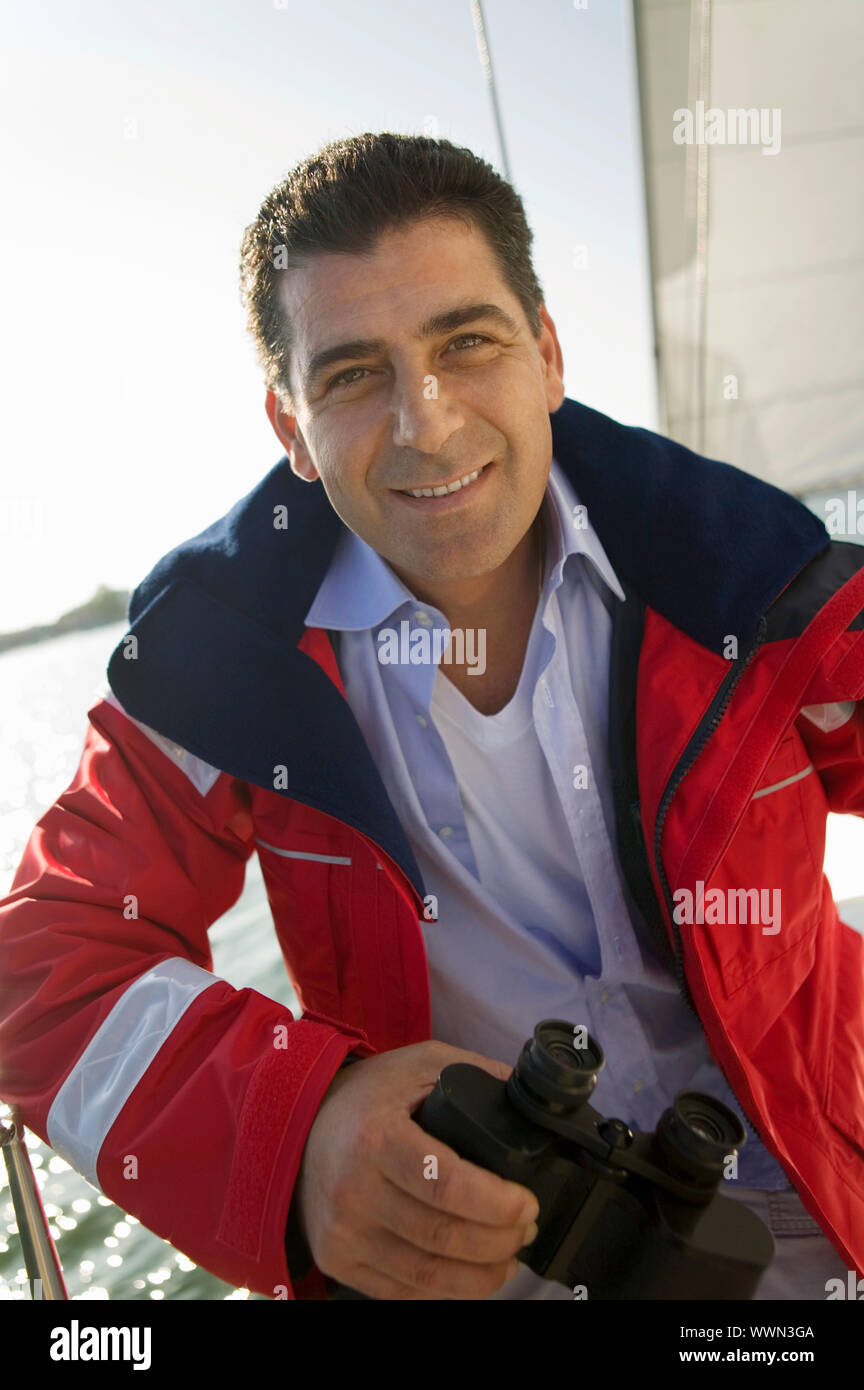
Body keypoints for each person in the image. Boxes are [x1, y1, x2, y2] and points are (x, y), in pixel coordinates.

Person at [1, 132, 863, 1302]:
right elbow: (44, 954)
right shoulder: (221, 666)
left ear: (548, 354)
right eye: (352, 375)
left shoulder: (763, 589)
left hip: (828, 1203)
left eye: (468, 341)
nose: (428, 421)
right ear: (289, 430)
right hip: (468, 1270)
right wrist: (303, 1130)